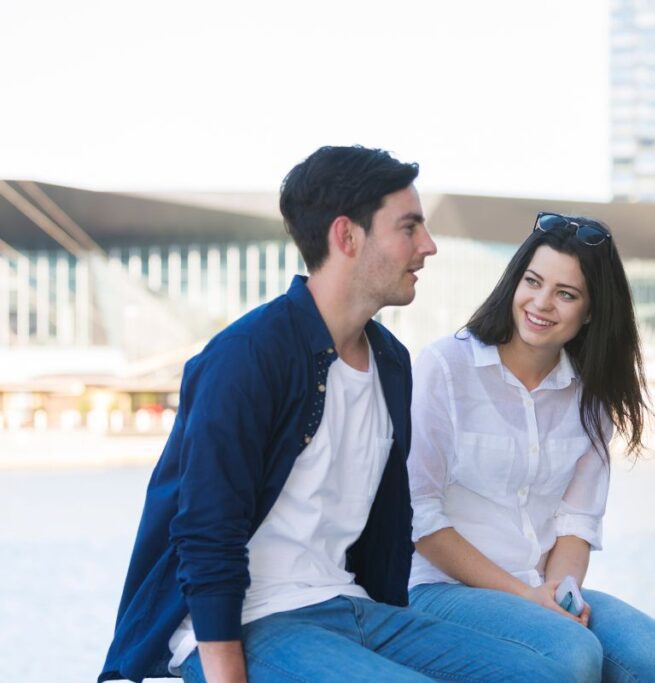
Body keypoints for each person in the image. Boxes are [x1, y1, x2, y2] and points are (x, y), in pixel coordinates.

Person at [99, 147, 568, 683]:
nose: (428, 246)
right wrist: (224, 671)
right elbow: (206, 533)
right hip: (252, 621)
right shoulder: (247, 356)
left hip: (349, 606)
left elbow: (388, 527)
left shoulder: (391, 361)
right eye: (409, 228)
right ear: (347, 236)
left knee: (547, 673)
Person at [406, 212, 655, 682]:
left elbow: (575, 525)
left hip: (541, 588)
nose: (541, 303)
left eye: (566, 294)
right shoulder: (445, 366)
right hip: (442, 589)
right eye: (533, 282)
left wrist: (561, 593)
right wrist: (526, 598)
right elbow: (421, 518)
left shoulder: (591, 393)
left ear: (592, 310)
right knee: (569, 655)